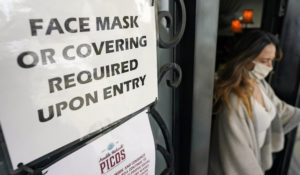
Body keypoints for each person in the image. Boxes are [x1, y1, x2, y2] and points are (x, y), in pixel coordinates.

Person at [209, 30, 300, 175]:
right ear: (245, 58)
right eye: (264, 61)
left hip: (256, 159)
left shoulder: (260, 84)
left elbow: (280, 109)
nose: (269, 67)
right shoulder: (234, 102)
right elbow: (239, 157)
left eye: (272, 61)